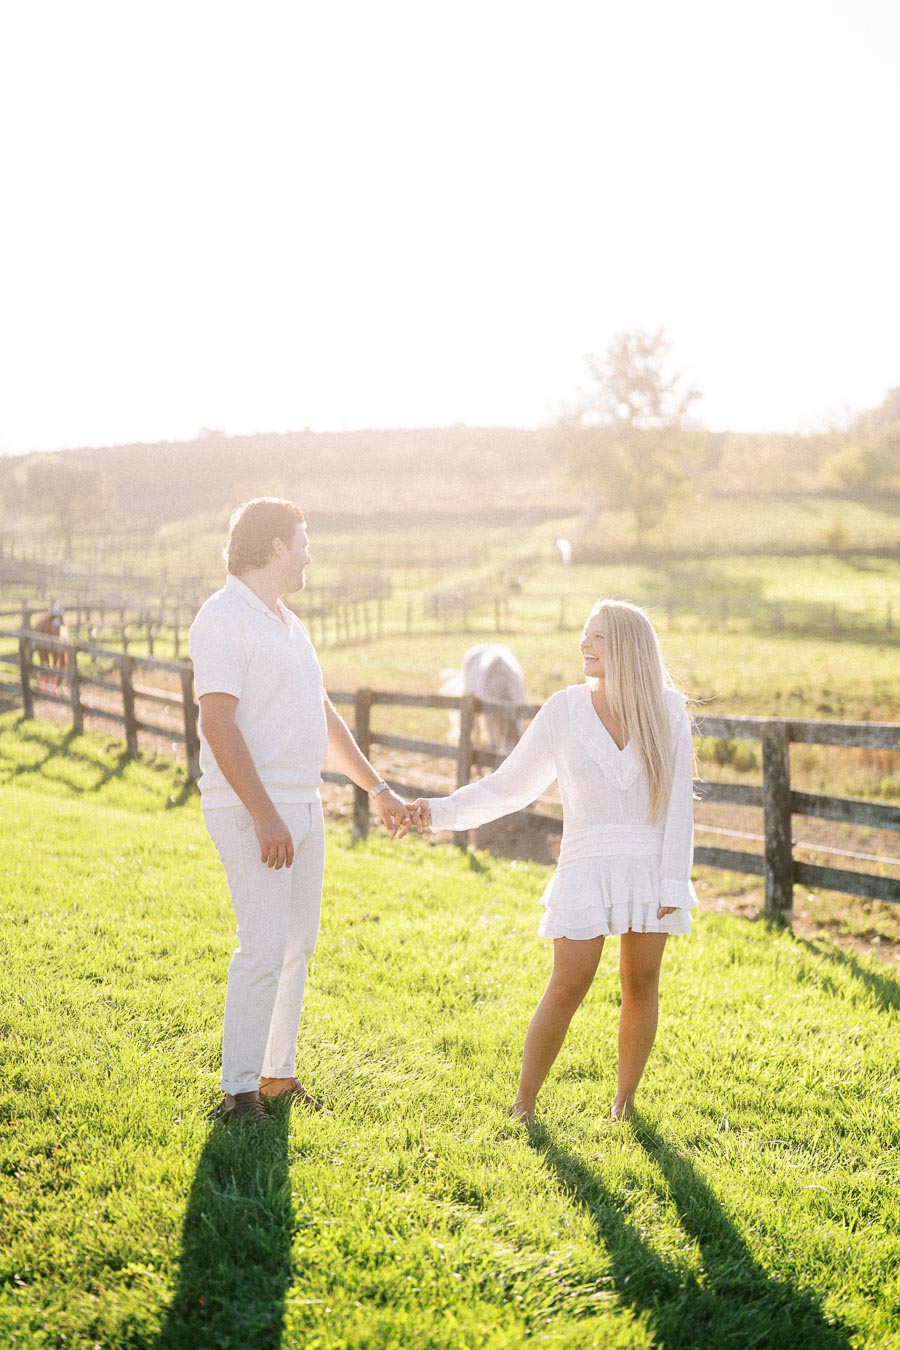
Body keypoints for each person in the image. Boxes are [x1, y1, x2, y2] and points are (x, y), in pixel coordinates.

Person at [406, 600, 696, 1123]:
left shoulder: (670, 712)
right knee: (568, 984)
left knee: (640, 984)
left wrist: (673, 884)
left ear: (628, 645)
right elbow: (509, 787)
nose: (584, 645)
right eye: (584, 636)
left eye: (597, 637)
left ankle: (624, 1106)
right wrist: (439, 812)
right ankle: (523, 1106)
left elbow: (679, 810)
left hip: (650, 869)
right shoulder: (563, 710)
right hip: (585, 867)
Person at [189, 498, 411, 1125]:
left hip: (304, 802)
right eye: (304, 541)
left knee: (297, 945)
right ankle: (238, 1094)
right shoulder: (222, 616)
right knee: (261, 945)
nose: (310, 553)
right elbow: (217, 720)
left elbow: (323, 715)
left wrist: (377, 789)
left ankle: (277, 1074)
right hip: (250, 806)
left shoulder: (288, 622)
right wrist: (263, 814)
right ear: (276, 547)